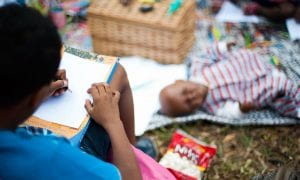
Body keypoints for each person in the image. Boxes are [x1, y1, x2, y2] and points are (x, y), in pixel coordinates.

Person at [0, 4, 142, 179]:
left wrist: (37, 87)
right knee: (117, 72)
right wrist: (113, 122)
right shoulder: (51, 155)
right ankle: (134, 152)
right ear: (35, 98)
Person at [159, 41, 300, 119]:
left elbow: (207, 55)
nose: (192, 96)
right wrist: (240, 108)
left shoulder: (197, 68)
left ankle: (274, 73)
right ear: (192, 111)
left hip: (248, 63)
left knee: (245, 54)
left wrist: (223, 47)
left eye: (185, 92)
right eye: (189, 103)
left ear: (180, 81)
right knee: (272, 95)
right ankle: (294, 105)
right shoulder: (211, 106)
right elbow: (228, 112)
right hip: (256, 85)